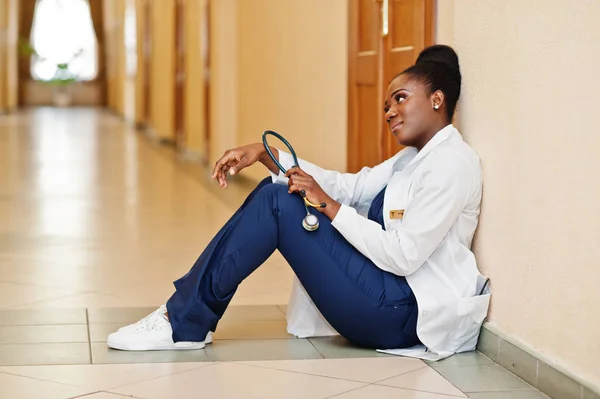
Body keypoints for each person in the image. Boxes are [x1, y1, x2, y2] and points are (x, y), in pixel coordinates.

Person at [107, 45, 489, 359]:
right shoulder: (410, 160)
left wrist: (327, 205)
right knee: (277, 196)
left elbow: (404, 255)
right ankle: (184, 317)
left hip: (404, 313)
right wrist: (265, 154)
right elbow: (348, 188)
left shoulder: (452, 163)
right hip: (386, 297)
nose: (389, 112)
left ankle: (182, 321)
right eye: (386, 105)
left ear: (437, 99)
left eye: (400, 99)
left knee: (278, 202)